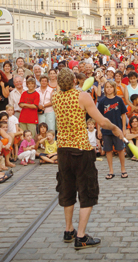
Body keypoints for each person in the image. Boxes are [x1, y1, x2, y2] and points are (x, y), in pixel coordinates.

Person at [51, 68, 126, 250]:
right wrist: (116, 129)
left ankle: (69, 230)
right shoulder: (82, 96)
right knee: (87, 191)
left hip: (62, 150)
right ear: (75, 80)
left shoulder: (55, 96)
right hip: (81, 149)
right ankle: (81, 236)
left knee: (67, 189)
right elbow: (101, 121)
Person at [97, 81, 127, 179]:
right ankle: (111, 170)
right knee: (108, 150)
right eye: (107, 87)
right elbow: (98, 117)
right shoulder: (102, 101)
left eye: (111, 87)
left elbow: (123, 115)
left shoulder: (119, 100)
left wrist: (123, 129)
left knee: (120, 149)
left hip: (117, 129)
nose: (109, 89)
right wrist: (99, 130)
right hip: (106, 130)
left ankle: (123, 169)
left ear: (114, 88)